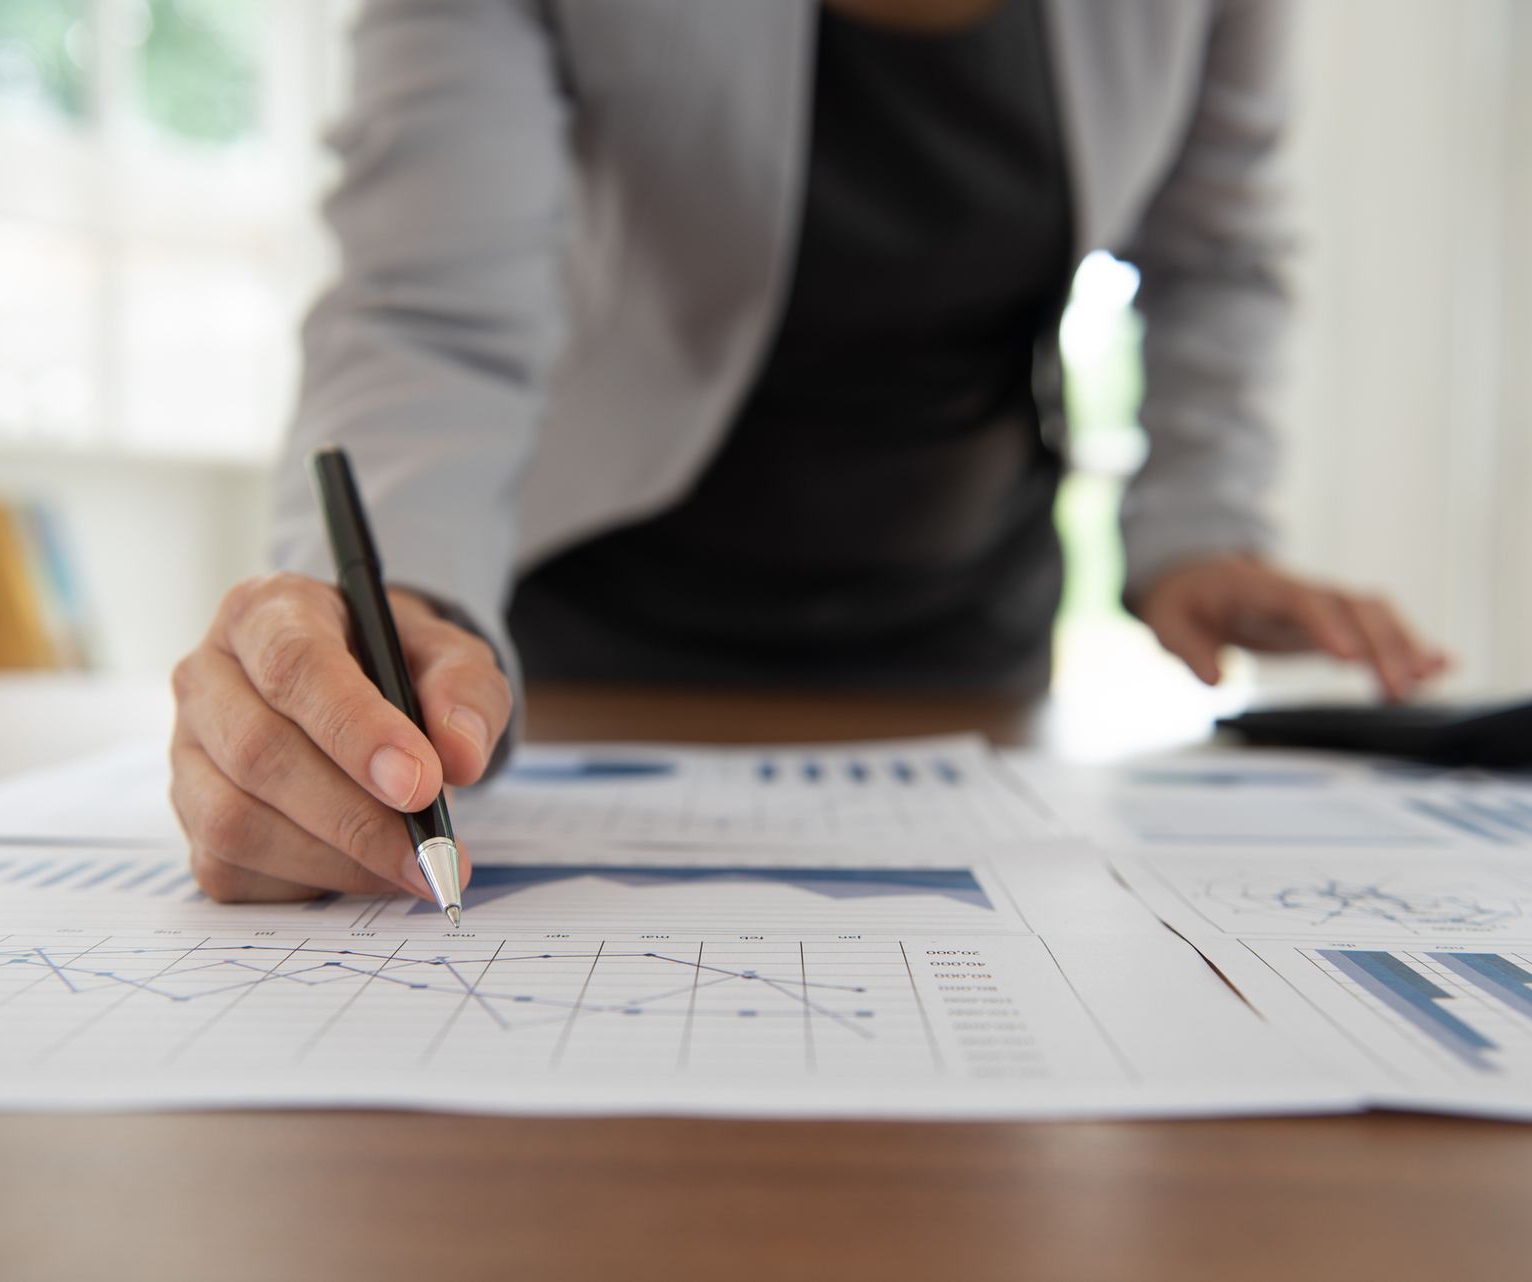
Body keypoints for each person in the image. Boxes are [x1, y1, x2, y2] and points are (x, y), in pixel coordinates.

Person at [168, 0, 1447, 904]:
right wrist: (399, 600)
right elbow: (428, 306)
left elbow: (1215, 255)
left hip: (969, 634)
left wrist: (1199, 527)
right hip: (595, 622)